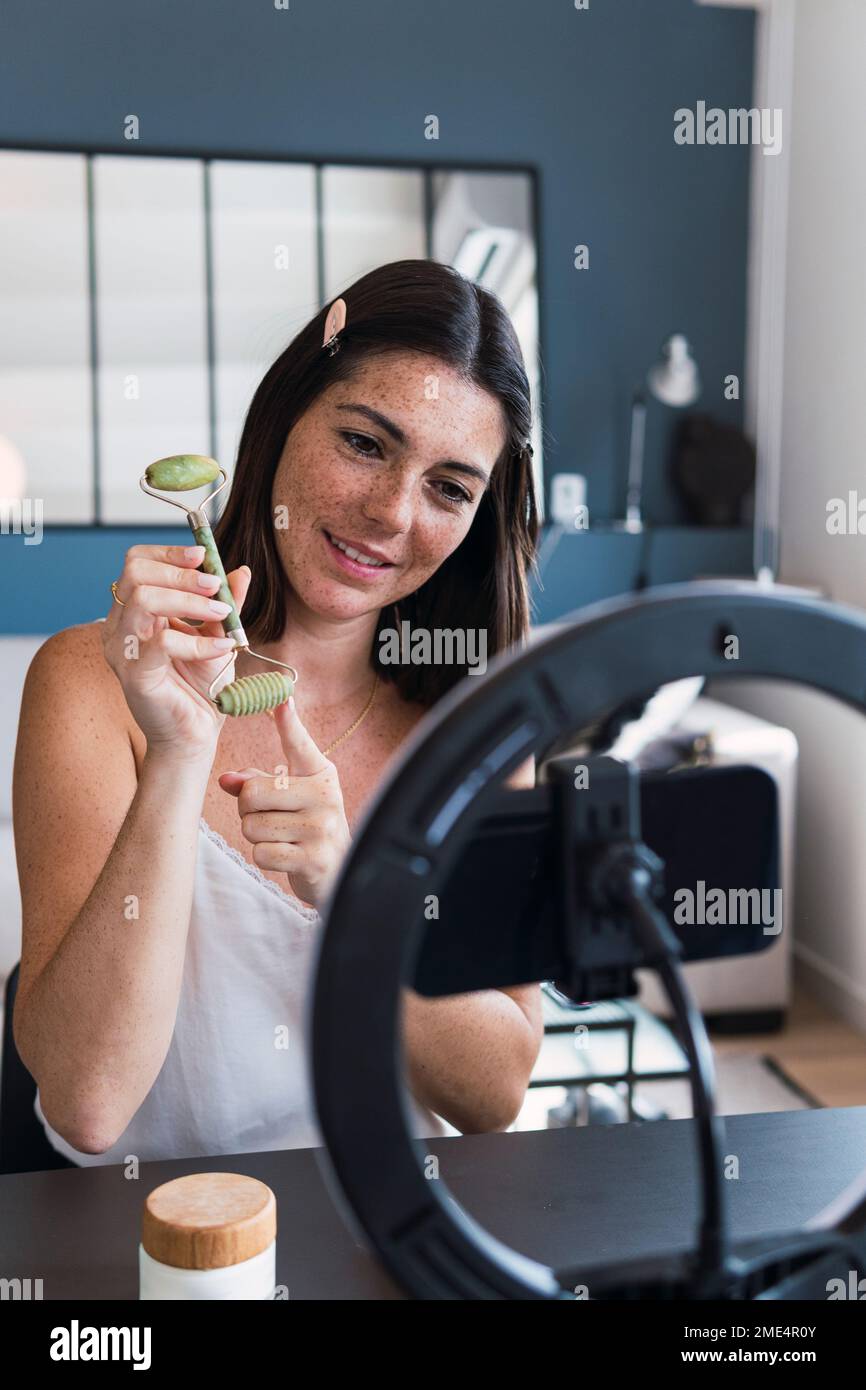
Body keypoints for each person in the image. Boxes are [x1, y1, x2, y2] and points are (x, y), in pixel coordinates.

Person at [12, 257, 543, 1165]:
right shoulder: (87, 681)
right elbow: (87, 1103)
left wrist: (354, 897)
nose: (389, 514)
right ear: (287, 415)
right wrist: (179, 760)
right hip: (151, 1245)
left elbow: (493, 1093)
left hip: (376, 1234)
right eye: (366, 443)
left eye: (449, 488)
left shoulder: (480, 728)